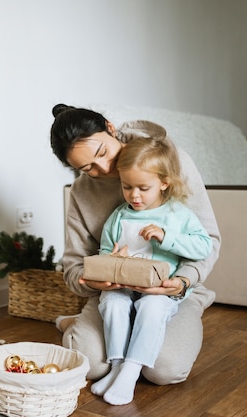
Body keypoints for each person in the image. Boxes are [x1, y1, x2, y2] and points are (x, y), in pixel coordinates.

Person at [49, 104, 221, 399]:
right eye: (86, 168)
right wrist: (95, 280)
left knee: (165, 370)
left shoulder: (170, 161)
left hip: (171, 291)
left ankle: (164, 328)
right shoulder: (82, 193)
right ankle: (85, 328)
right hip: (115, 293)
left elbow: (207, 240)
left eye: (102, 153)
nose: (102, 170)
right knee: (88, 364)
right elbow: (74, 267)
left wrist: (182, 282)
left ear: (111, 128)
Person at [91, 136, 213, 405]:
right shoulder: (119, 216)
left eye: (143, 188)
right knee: (111, 303)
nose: (134, 195)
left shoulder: (177, 215)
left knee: (152, 307)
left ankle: (132, 369)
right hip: (123, 287)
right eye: (127, 187)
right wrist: (111, 260)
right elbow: (103, 251)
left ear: (164, 182)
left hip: (160, 291)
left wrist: (167, 237)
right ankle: (117, 365)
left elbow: (204, 246)